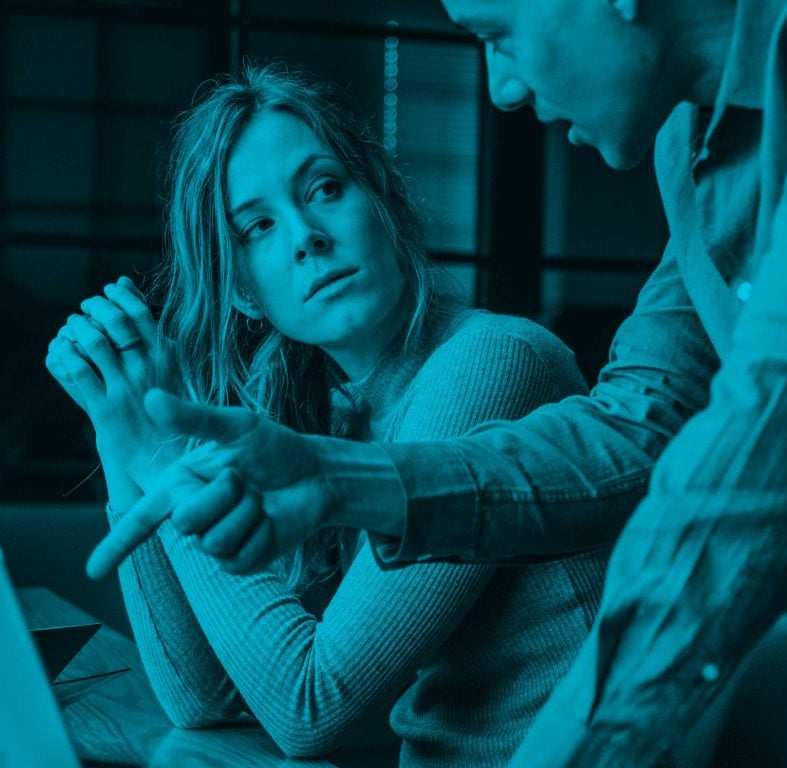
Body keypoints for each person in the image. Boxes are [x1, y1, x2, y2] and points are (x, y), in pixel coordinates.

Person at [88, 1, 787, 765]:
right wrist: (344, 478)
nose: (502, 89)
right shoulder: (695, 153)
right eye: (259, 230)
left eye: (497, 34)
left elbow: (778, 438)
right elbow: (638, 422)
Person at [47, 63, 607, 766]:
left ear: (385, 202)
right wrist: (120, 423)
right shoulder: (337, 414)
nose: (305, 235)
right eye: (256, 227)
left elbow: (309, 710)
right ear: (245, 295)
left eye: (325, 188)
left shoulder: (493, 362)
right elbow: (204, 699)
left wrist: (164, 457)